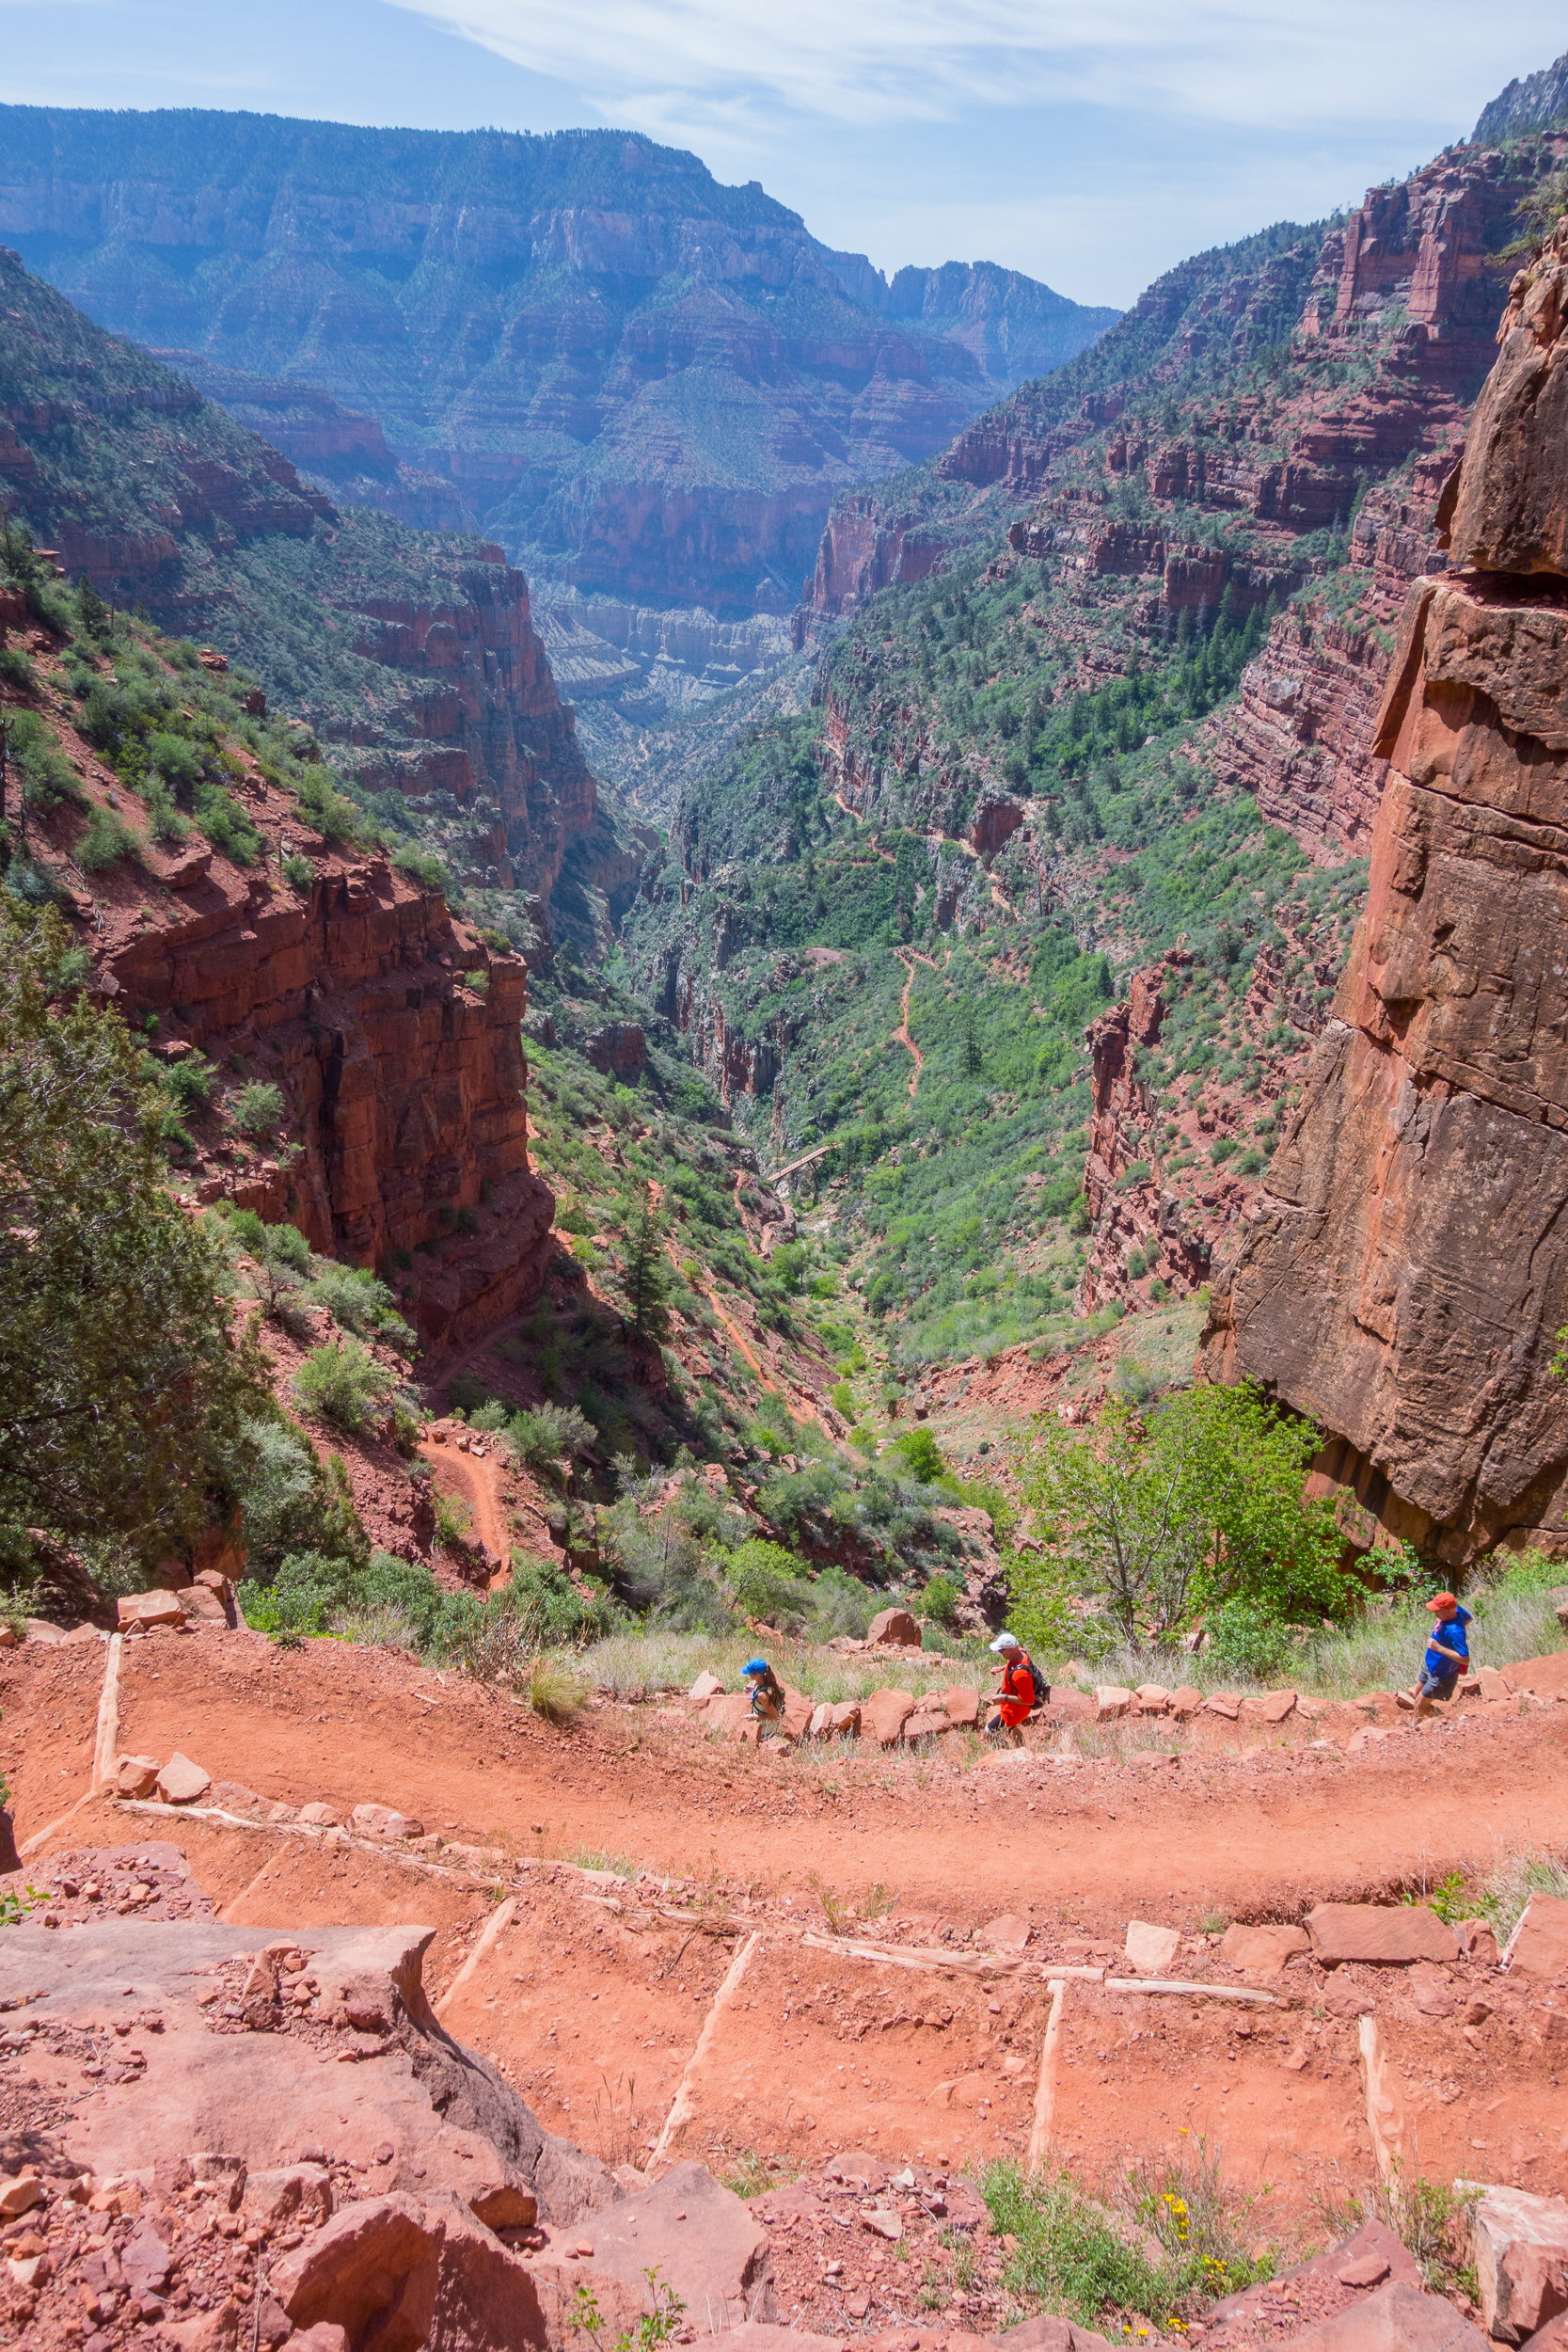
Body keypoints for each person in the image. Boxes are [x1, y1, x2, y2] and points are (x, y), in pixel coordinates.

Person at [1397, 1592, 1473, 1716]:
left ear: (1448, 1611)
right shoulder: (1457, 1609)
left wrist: (1440, 1648)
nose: (1435, 1613)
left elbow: (1465, 1659)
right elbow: (1468, 1619)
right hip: (1432, 1665)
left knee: (1420, 1705)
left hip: (1442, 1675)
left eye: (1437, 1611)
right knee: (1416, 1692)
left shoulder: (1454, 1631)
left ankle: (1426, 1727)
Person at [986, 1631, 1043, 1745]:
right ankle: (1021, 1747)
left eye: (1000, 1651)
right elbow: (1015, 1663)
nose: (999, 1653)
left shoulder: (1020, 1675)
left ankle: (1007, 1755)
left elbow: (1028, 1700)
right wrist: (1003, 1668)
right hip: (1011, 1707)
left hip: (1014, 1712)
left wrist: (1004, 1697)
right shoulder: (1021, 1651)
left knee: (989, 1732)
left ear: (1009, 1650)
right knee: (1010, 1729)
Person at [742, 1656, 784, 1730]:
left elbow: (774, 1717)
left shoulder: (762, 1695)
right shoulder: (762, 1682)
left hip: (766, 1729)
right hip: (760, 1723)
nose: (748, 1674)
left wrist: (755, 1717)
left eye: (750, 1673)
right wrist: (751, 1690)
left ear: (756, 1675)